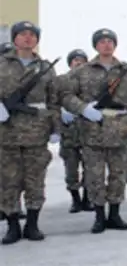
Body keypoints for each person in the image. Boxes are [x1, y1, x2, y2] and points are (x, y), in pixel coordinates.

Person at [60, 29, 127, 233]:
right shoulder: (82, 71)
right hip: (92, 130)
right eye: (102, 41)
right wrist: (83, 109)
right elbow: (67, 96)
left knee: (118, 174)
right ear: (95, 46)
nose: (107, 44)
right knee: (95, 176)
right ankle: (99, 216)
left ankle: (114, 214)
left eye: (110, 41)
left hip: (120, 128)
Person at [0, 22, 60, 244]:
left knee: (35, 181)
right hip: (7, 135)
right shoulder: (2, 64)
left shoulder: (45, 67)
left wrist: (56, 129)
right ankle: (12, 226)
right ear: (14, 38)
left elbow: (54, 101)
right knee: (8, 182)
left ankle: (32, 225)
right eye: (23, 34)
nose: (28, 38)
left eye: (32, 35)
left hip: (37, 134)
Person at [58, 48, 93, 213]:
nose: (78, 62)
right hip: (69, 133)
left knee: (90, 168)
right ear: (70, 63)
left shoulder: (91, 81)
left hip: (88, 132)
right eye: (75, 60)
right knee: (71, 169)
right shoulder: (61, 80)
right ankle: (75, 200)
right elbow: (51, 101)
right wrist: (60, 112)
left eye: (82, 59)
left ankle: (87, 199)